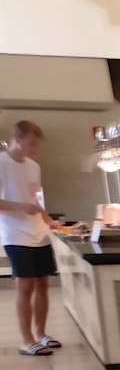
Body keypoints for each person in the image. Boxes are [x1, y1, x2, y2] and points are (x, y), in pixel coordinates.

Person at [0, 120, 62, 356]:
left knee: (43, 284)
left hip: (39, 233)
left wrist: (48, 220)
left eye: (37, 145)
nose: (35, 149)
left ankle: (41, 334)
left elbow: (36, 199)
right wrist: (20, 207)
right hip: (14, 234)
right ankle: (26, 340)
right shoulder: (1, 163)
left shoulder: (34, 166)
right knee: (25, 285)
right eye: (32, 144)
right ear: (17, 139)